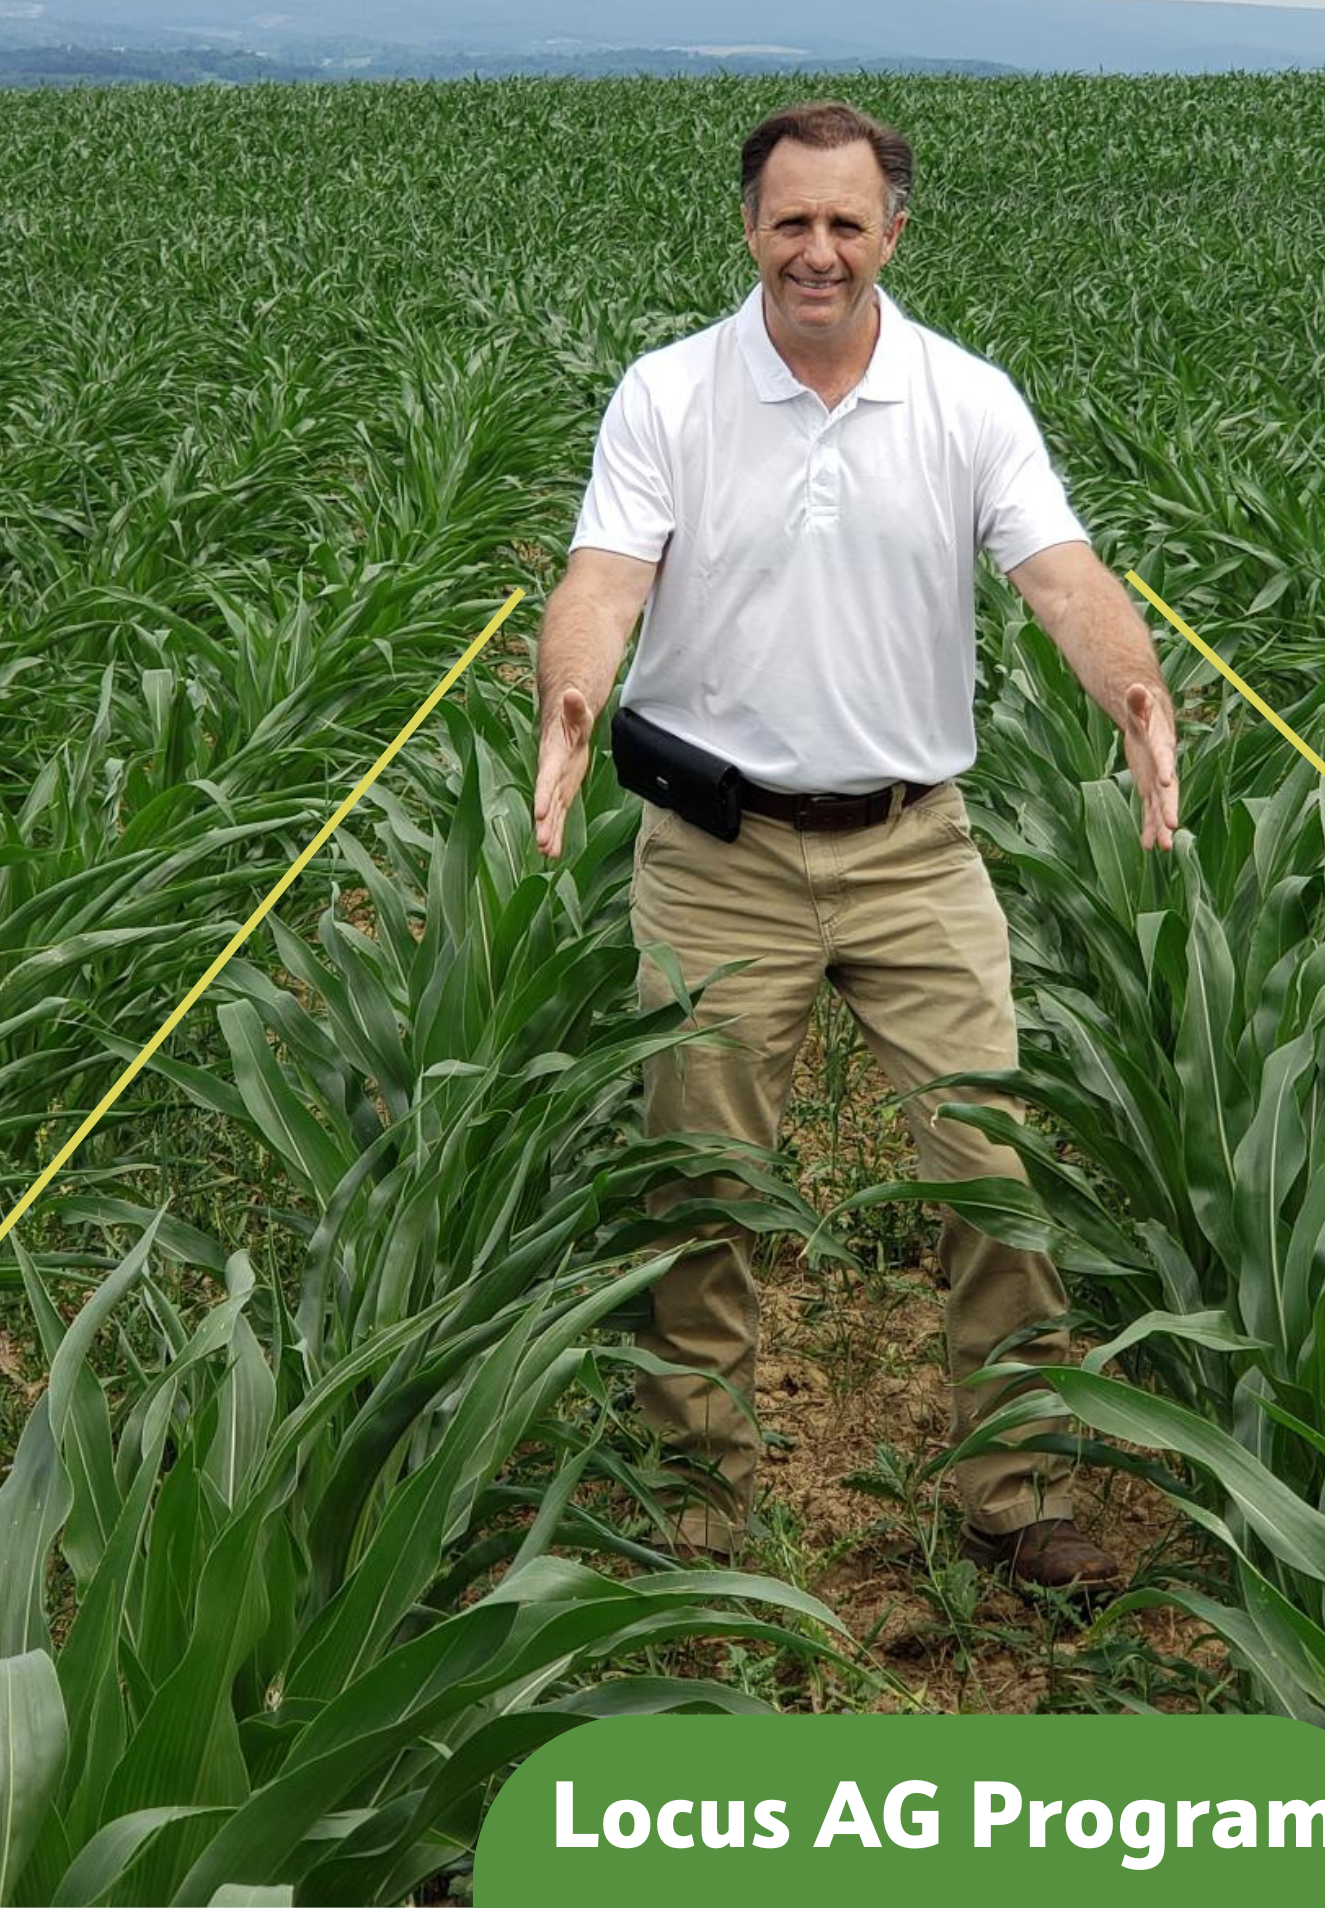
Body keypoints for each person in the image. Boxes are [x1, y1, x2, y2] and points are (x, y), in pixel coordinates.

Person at [530, 100, 1180, 1596]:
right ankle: (695, 1503)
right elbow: (602, 577)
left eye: (846, 222)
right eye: (790, 221)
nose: (816, 251)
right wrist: (572, 691)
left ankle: (1014, 1495)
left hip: (912, 846)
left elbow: (1062, 573)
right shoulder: (670, 396)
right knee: (702, 1178)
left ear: (896, 230)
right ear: (749, 229)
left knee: (989, 1164)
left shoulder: (966, 400)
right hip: (717, 848)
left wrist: (1137, 690)